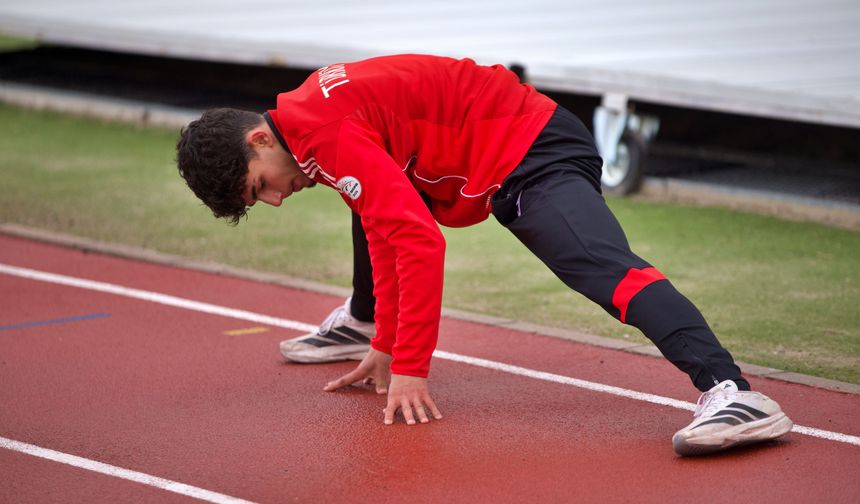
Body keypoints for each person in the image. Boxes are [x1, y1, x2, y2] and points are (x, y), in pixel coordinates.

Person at [176, 54, 793, 455]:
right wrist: (387, 344)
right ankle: (362, 325)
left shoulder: (324, 132)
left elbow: (419, 241)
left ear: (260, 139)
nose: (276, 201)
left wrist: (411, 366)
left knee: (602, 269)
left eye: (260, 187)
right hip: (508, 147)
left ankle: (732, 391)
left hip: (534, 150)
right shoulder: (308, 124)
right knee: (373, 214)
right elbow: (391, 227)